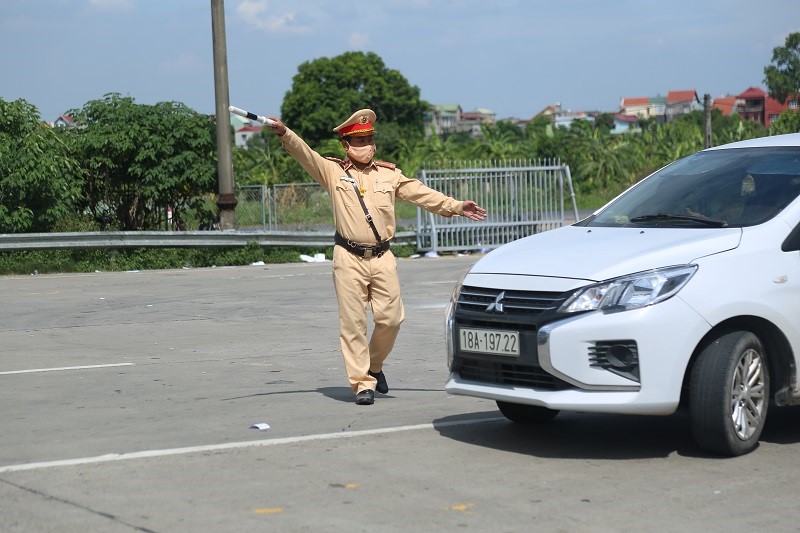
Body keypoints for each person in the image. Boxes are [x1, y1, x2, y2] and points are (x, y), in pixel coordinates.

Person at [265, 109, 487, 405]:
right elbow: (306, 154)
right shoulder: (333, 172)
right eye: (359, 141)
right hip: (348, 257)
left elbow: (421, 194)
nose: (367, 146)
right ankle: (362, 384)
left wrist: (457, 206)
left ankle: (374, 365)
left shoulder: (389, 175)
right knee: (353, 324)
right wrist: (284, 133)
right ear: (345, 145)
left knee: (392, 319)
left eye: (369, 139)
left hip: (382, 257)